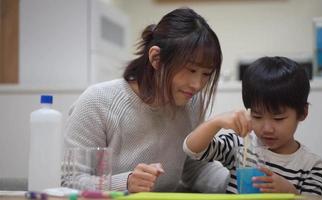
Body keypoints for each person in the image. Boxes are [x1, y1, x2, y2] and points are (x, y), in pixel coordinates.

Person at [64, 7, 229, 193]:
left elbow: (194, 168)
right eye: (190, 70)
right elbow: (71, 180)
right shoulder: (97, 101)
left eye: (206, 74)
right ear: (156, 58)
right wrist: (126, 182)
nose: (197, 84)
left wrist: (240, 181)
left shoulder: (192, 103)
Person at [183, 56, 322, 195]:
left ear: (302, 113)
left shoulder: (313, 165)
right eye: (257, 116)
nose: (267, 129)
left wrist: (291, 193)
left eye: (278, 118)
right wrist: (215, 122)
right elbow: (192, 149)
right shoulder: (241, 145)